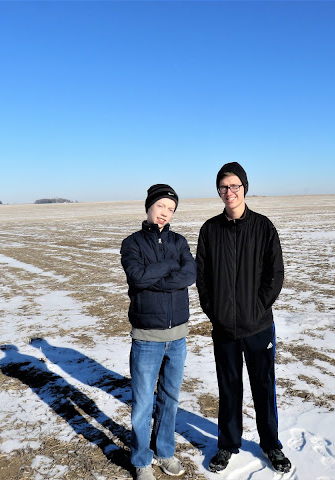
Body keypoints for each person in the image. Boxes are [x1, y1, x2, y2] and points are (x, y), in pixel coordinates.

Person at [196, 162, 291, 473]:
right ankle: (227, 444)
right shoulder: (210, 230)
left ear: (244, 188)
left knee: (263, 386)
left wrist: (257, 308)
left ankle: (271, 444)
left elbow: (275, 274)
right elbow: (202, 277)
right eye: (224, 187)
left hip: (258, 326)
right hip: (224, 328)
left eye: (234, 186)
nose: (229, 192)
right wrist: (215, 311)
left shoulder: (263, 227)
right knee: (229, 387)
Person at [120, 184, 197, 480]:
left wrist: (157, 276)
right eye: (161, 206)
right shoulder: (132, 243)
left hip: (178, 337)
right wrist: (169, 265)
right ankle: (141, 460)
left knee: (170, 399)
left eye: (171, 209)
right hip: (147, 339)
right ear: (149, 206)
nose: (165, 213)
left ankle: (165, 452)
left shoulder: (179, 241)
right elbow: (137, 277)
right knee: (142, 404)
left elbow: (189, 274)